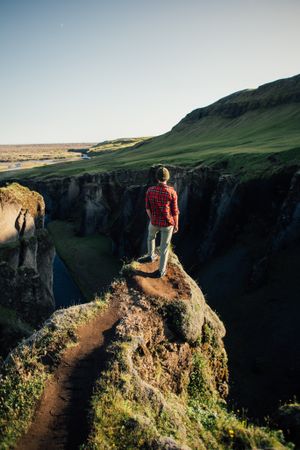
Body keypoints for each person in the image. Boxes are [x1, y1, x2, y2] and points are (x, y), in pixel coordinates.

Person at [139, 166, 179, 277]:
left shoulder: (150, 190)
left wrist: (152, 218)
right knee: (164, 248)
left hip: (154, 222)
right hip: (167, 224)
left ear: (157, 178)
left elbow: (147, 208)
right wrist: (176, 225)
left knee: (150, 237)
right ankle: (161, 271)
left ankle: (150, 256)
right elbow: (175, 212)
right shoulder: (171, 192)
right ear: (167, 178)